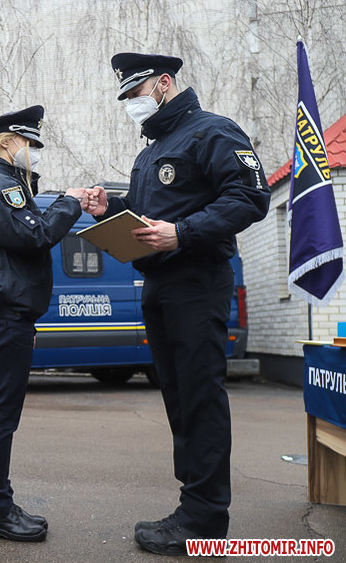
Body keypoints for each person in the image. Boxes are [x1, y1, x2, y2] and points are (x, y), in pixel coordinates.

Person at [85, 53, 271, 555]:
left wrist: (183, 233)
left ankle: (205, 519)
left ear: (164, 83)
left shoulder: (212, 131)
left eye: (136, 92)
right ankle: (192, 505)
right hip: (161, 285)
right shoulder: (150, 153)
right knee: (178, 395)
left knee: (199, 395)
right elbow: (150, 215)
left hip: (197, 280)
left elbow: (251, 197)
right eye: (125, 97)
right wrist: (112, 210)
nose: (131, 103)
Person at [0, 105, 94, 542]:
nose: (34, 150)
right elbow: (34, 235)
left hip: (9, 317)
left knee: (2, 416)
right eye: (29, 143)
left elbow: (27, 236)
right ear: (8, 143)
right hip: (4, 318)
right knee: (0, 418)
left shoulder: (11, 186)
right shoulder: (3, 187)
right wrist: (70, 202)